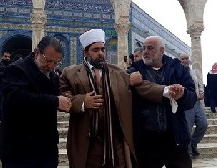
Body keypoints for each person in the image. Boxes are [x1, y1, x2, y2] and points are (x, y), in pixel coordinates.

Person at [59, 29, 165, 168]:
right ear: (85, 51)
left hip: (116, 143)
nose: (101, 53)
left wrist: (166, 91)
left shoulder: (118, 72)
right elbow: (64, 100)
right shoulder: (70, 73)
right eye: (95, 50)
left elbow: (143, 86)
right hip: (88, 143)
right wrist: (82, 102)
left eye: (103, 49)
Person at [0, 36, 72, 168]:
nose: (51, 66)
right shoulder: (16, 70)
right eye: (48, 60)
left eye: (56, 63)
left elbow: (51, 99)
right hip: (19, 149)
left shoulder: (51, 76)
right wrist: (55, 101)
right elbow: (17, 99)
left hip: (46, 149)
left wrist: (64, 97)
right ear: (37, 52)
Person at [128, 36, 197, 168]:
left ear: (161, 51)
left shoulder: (177, 68)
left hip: (175, 137)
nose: (145, 52)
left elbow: (191, 98)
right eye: (144, 48)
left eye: (150, 48)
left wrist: (182, 95)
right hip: (147, 140)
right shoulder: (135, 70)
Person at [179, 53, 208, 158]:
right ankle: (188, 151)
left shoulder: (193, 72)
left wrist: (201, 92)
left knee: (203, 124)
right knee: (187, 128)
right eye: (183, 59)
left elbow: (199, 84)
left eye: (186, 58)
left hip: (197, 103)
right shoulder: (177, 72)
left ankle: (193, 143)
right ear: (179, 60)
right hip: (186, 104)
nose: (185, 60)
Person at [0, 51, 11, 122]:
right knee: (0, 102)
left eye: (8, 57)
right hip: (0, 85)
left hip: (8, 86)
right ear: (2, 57)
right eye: (5, 56)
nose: (7, 58)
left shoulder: (10, 65)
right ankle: (0, 118)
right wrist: (5, 74)